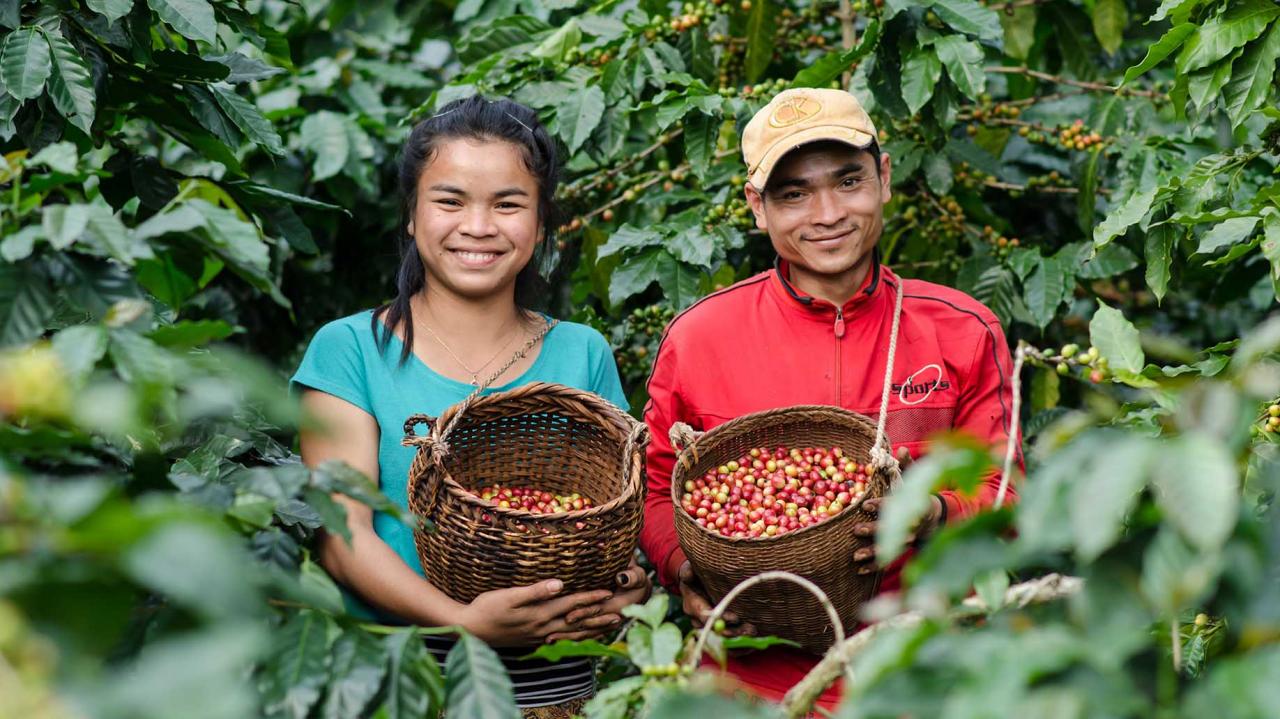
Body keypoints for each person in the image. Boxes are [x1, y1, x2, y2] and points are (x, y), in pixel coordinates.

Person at [638, 88, 1021, 710]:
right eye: (794, 194)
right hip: (755, 682)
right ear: (757, 207)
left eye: (848, 182)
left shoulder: (961, 329)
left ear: (884, 178)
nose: (827, 214)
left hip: (928, 671)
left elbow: (1005, 493)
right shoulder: (699, 338)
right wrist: (687, 568)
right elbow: (658, 494)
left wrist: (932, 514)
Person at [292, 96, 650, 716]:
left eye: (508, 204)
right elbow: (341, 536)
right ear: (411, 215)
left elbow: (613, 523)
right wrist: (463, 621)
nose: (479, 226)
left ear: (541, 223)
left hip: (560, 694)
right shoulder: (351, 350)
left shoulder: (581, 352)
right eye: (450, 201)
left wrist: (626, 587)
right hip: (403, 687)